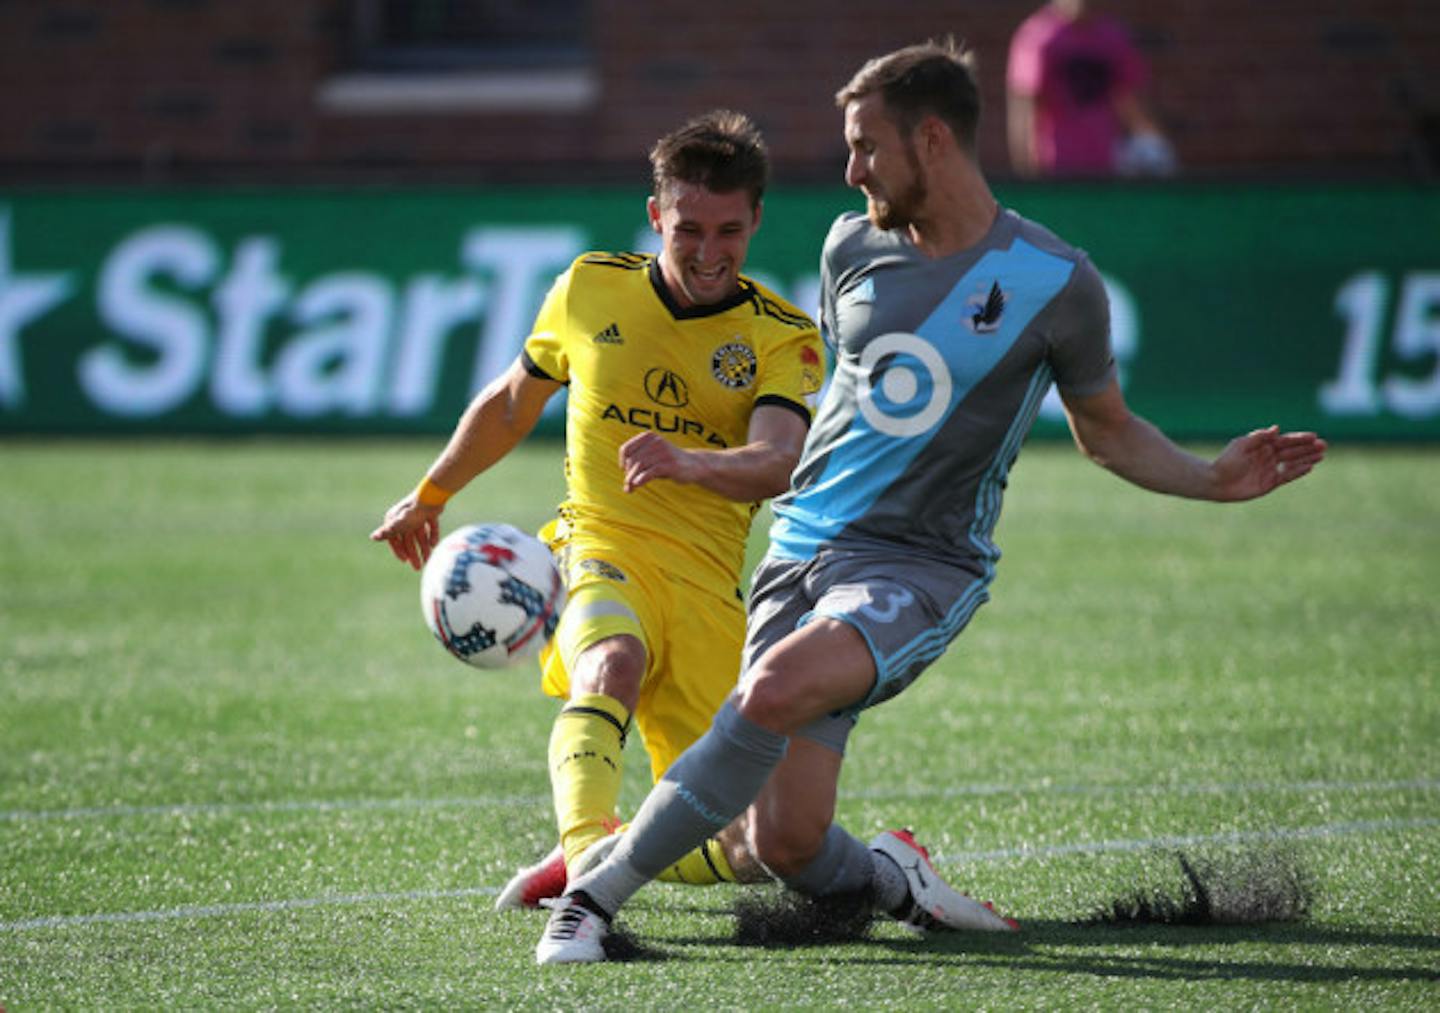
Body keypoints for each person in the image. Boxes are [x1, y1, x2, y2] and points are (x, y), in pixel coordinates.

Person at [536, 39, 1327, 964]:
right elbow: (852, 406)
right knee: (781, 843)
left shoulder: (1055, 281)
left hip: (917, 564)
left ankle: (590, 900)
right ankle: (891, 878)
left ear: (935, 141)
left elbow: (1105, 429)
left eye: (867, 146)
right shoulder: (848, 245)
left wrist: (1208, 477)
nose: (850, 169)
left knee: (769, 690)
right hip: (801, 552)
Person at [372, 110, 824, 909]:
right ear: (657, 215)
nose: (708, 252)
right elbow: (513, 402)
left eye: (729, 230)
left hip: (710, 588)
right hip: (599, 543)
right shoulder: (589, 287)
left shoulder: (782, 334)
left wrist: (687, 461)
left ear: (757, 219)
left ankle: (598, 852)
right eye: (689, 229)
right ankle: (587, 864)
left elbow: (780, 460)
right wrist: (432, 491)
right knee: (612, 661)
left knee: (757, 845)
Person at [1006, 0, 1176, 177]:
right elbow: (1026, 104)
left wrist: (1154, 144)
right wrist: (1026, 166)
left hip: (1107, 164)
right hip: (1056, 166)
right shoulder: (1037, 36)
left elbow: (1130, 102)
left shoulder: (1113, 36)